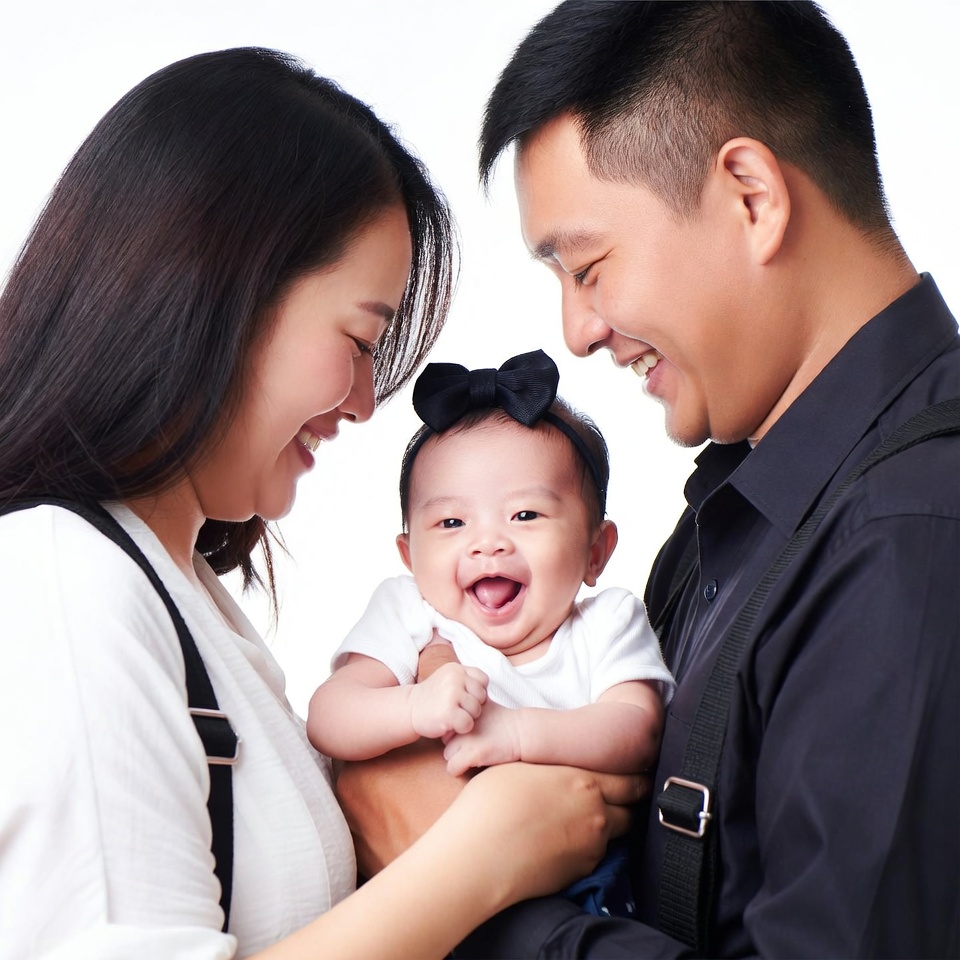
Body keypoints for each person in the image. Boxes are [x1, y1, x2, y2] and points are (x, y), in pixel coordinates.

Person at [335, 2, 960, 957]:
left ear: (753, 196)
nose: (578, 331)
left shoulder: (911, 531)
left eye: (587, 267)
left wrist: (472, 888)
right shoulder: (748, 499)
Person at [0, 47, 644, 960]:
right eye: (359, 337)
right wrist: (483, 857)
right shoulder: (68, 584)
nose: (360, 402)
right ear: (217, 295)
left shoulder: (182, 600)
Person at [308, 350, 674, 915]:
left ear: (595, 551)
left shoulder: (607, 622)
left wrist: (518, 733)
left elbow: (636, 728)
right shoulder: (412, 610)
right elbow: (330, 717)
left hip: (582, 882)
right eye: (451, 522)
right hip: (421, 875)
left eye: (525, 516)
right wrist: (413, 707)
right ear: (410, 554)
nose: (488, 542)